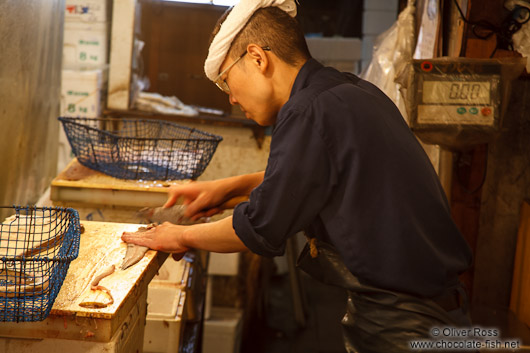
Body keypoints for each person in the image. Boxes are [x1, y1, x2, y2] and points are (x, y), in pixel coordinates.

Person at [122, 1, 473, 351]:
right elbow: (313, 175)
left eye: (227, 80)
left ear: (258, 58)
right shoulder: (346, 91)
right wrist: (228, 188)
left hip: (407, 321)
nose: (231, 98)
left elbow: (259, 227)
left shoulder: (307, 111)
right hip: (435, 307)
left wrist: (179, 236)